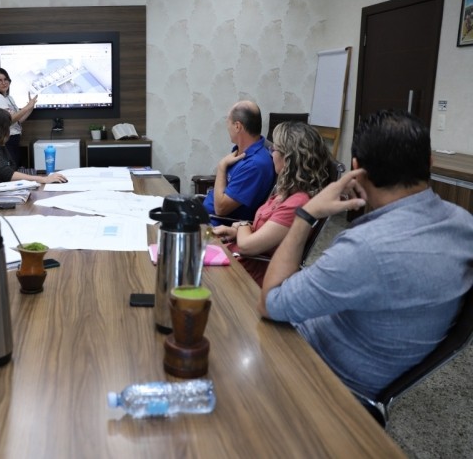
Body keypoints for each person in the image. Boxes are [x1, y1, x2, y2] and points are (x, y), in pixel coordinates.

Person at [259, 110, 473, 398]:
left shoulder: (365, 248)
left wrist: (305, 215)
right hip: (357, 348)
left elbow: (270, 304)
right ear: (430, 162)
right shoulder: (464, 225)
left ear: (357, 169)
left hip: (317, 378)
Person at [212, 122, 332, 286]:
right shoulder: (285, 191)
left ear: (288, 158)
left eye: (274, 149)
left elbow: (247, 246)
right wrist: (234, 231)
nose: (271, 154)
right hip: (242, 261)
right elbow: (264, 231)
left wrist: (241, 226)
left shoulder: (298, 204)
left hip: (254, 276)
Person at [0, 108, 68, 191]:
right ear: (3, 129)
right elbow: (7, 174)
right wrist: (43, 179)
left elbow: (11, 167)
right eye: (9, 127)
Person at [202, 100, 276, 222]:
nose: (227, 128)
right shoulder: (243, 152)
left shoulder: (255, 165)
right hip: (204, 217)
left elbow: (221, 209)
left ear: (237, 126)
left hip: (214, 228)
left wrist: (221, 167)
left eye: (228, 123)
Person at [0, 67, 37, 165]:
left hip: (14, 139)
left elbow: (18, 120)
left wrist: (31, 107)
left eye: (6, 79)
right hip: (5, 141)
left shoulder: (8, 98)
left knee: (14, 167)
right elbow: (9, 120)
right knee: (9, 171)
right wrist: (27, 107)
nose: (3, 83)